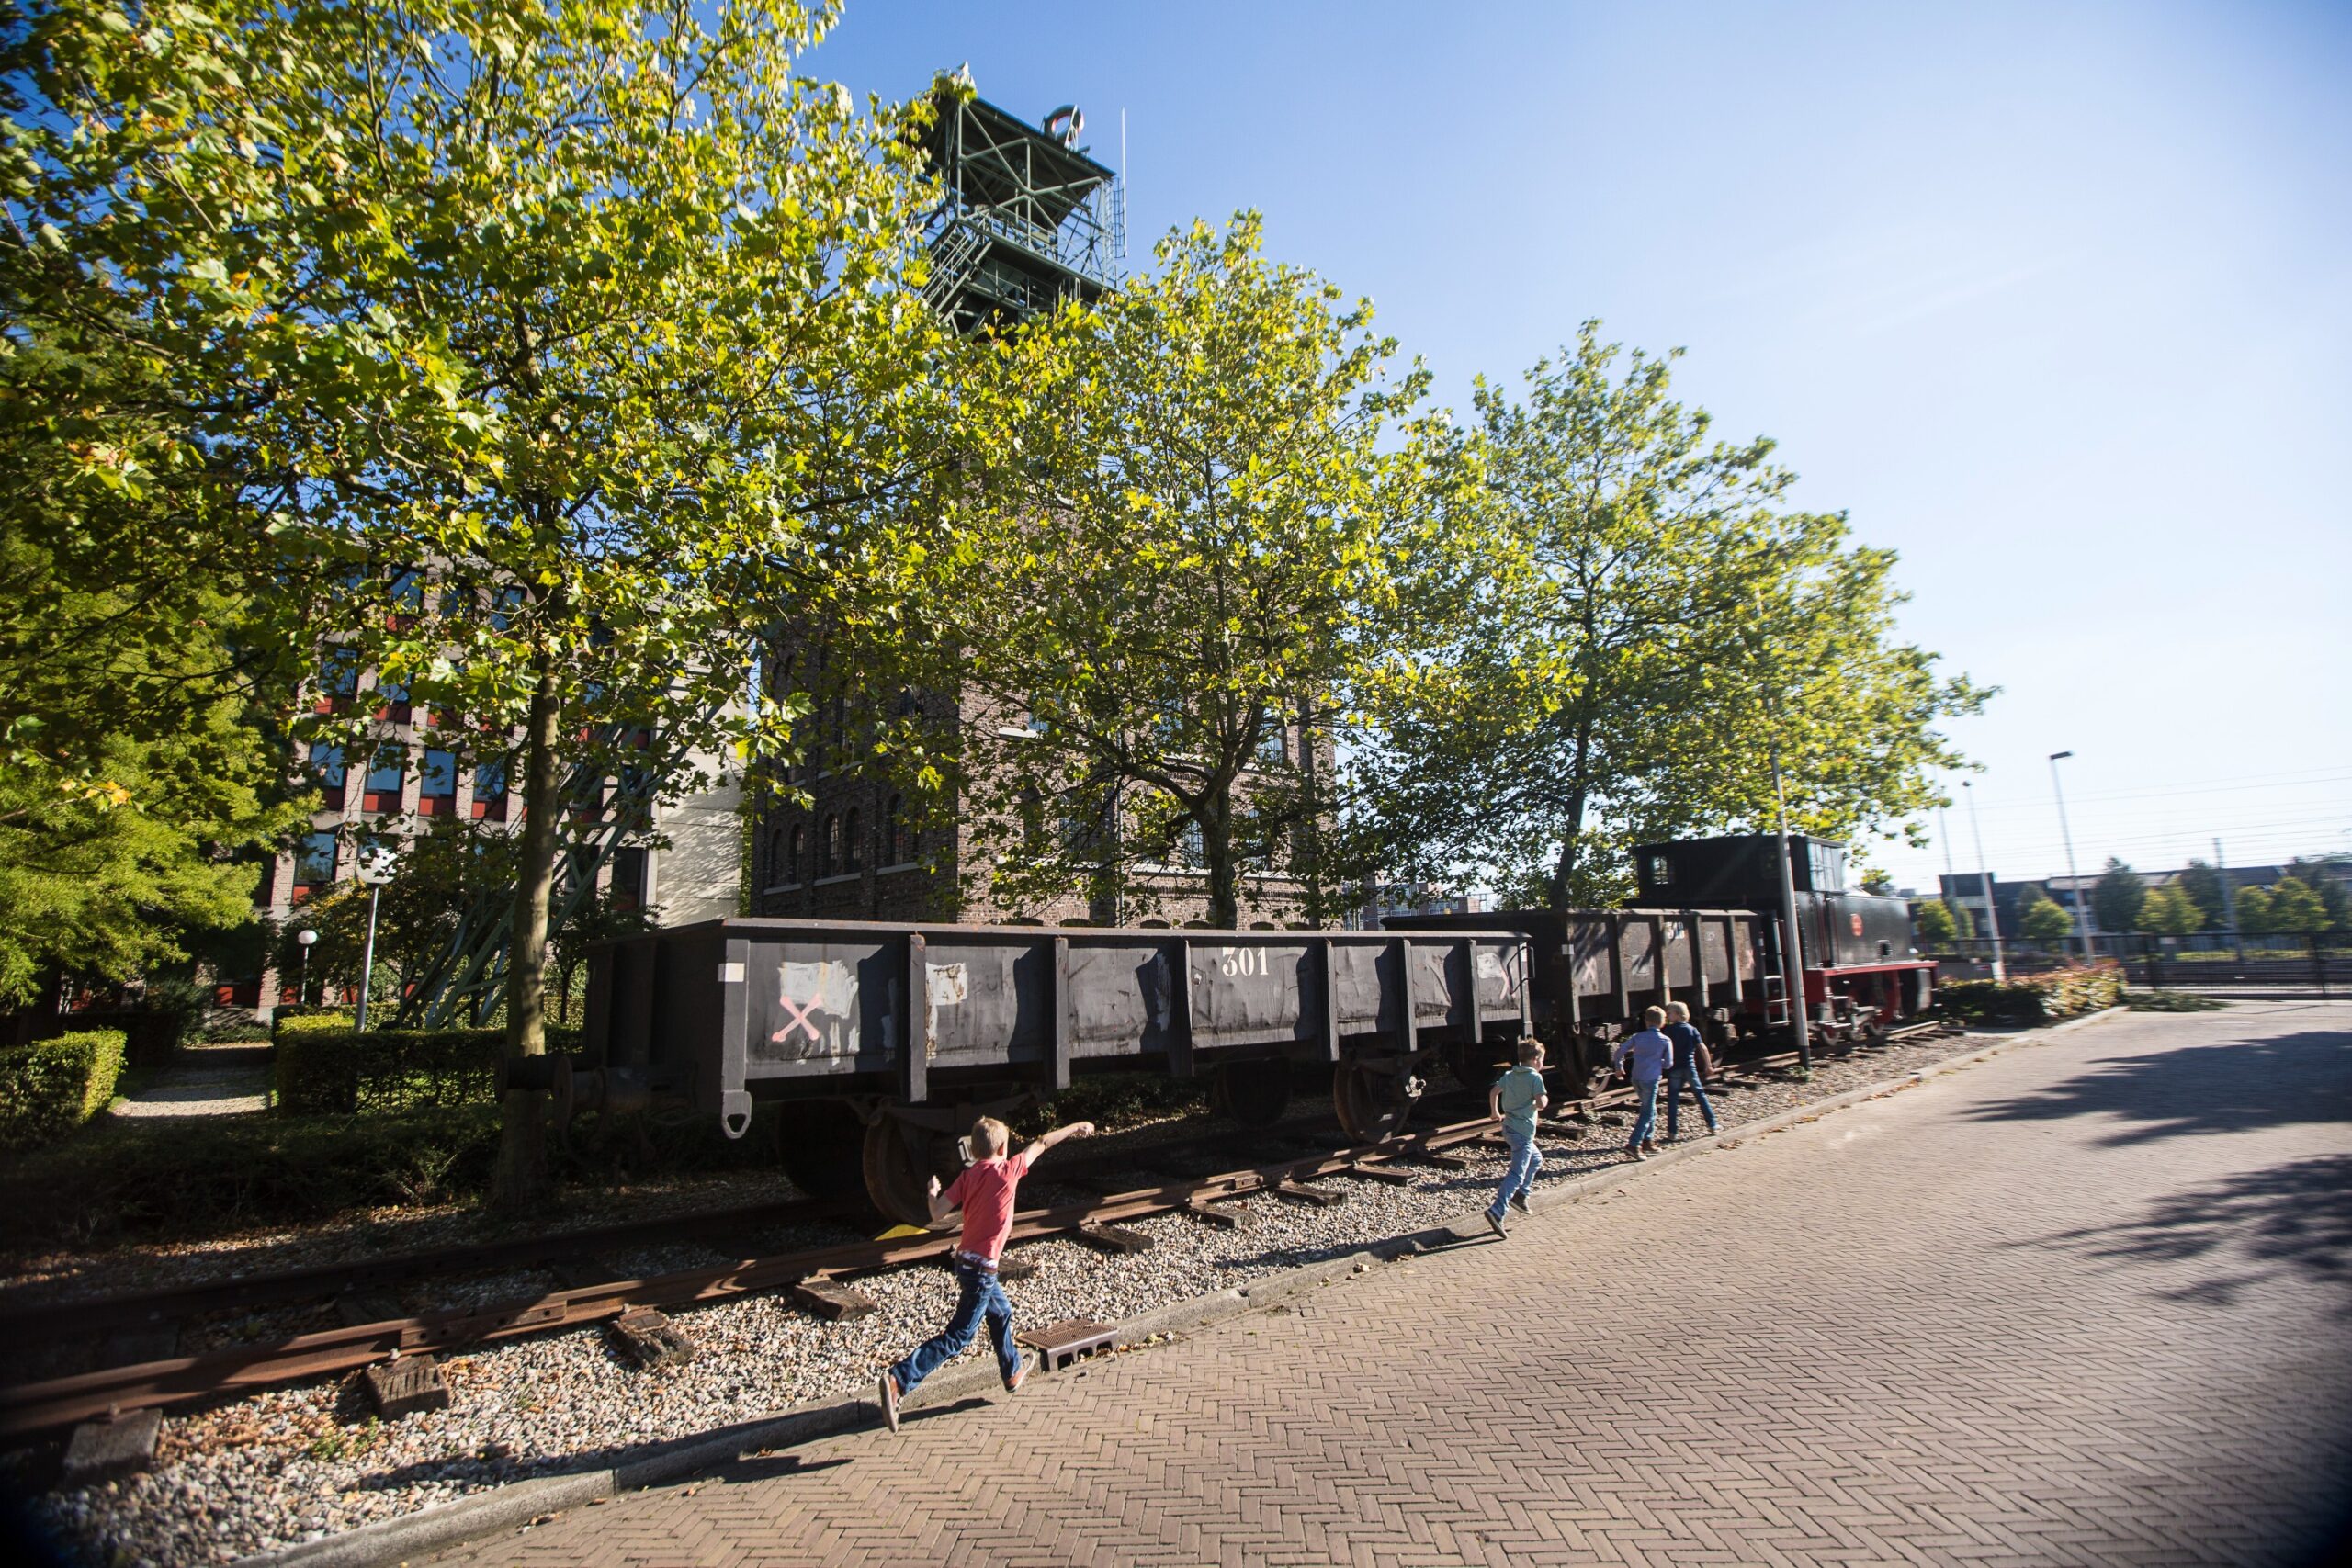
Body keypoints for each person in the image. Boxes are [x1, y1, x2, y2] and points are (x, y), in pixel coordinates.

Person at [877, 1115, 1095, 1433]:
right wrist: (1076, 1127)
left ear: (973, 1149)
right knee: (959, 1336)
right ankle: (900, 1379)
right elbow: (1043, 1142)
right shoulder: (1009, 1171)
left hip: (965, 1263)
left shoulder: (968, 1176)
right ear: (1003, 1148)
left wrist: (932, 1192)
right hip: (981, 1270)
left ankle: (1012, 1371)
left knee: (1001, 1311)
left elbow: (936, 1212)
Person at [1484, 1037, 1550, 1238]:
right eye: (1542, 1060)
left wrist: (1495, 1112)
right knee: (1516, 1174)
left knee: (1536, 1159)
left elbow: (1494, 1092)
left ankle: (1520, 1196)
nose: (1542, 1064)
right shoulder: (1535, 1078)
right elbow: (1541, 1104)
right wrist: (1542, 1100)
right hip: (1523, 1133)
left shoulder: (1509, 1074)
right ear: (1535, 1060)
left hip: (1509, 1129)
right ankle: (1497, 1211)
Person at [1611, 1006, 1674, 1160]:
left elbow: (1619, 1052)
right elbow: (1668, 1064)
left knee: (1650, 1109)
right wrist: (1658, 1062)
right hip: (1651, 1079)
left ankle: (1648, 1142)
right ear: (1663, 1023)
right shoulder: (1665, 1040)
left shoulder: (1637, 1037)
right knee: (1647, 1112)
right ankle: (1633, 1144)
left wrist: (1619, 1067)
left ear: (1646, 1021)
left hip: (1636, 1078)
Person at [1660, 1000, 1718, 1141]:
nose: (1668, 1016)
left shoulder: (1668, 1030)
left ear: (1677, 1014)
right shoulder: (1692, 1029)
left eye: (1669, 1013)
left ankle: (1672, 1132)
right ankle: (1712, 1125)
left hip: (1674, 1069)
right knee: (1700, 1094)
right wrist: (1708, 1065)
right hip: (1689, 1067)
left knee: (1673, 1099)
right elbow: (1702, 1047)